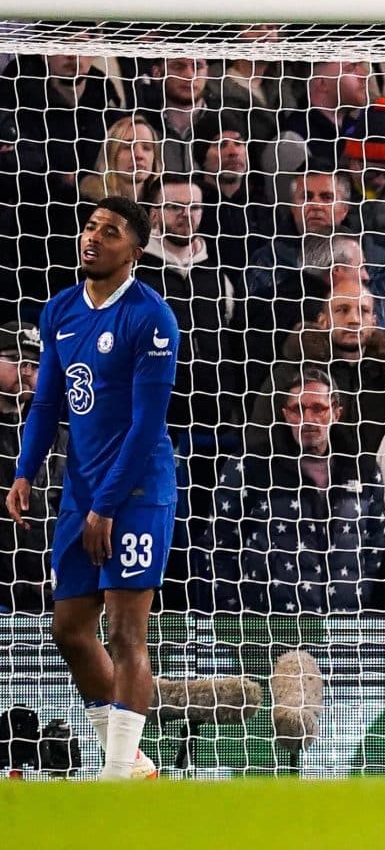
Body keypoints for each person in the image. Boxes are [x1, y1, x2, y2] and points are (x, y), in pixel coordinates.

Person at [7, 196, 180, 779]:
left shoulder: (150, 318)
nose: (93, 238)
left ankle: (116, 774)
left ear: (135, 249)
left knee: (127, 630)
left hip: (135, 489)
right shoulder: (59, 311)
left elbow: (146, 423)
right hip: (80, 491)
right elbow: (48, 400)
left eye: (110, 232)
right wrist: (25, 471)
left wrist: (106, 504)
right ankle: (131, 762)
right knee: (69, 628)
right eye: (89, 227)